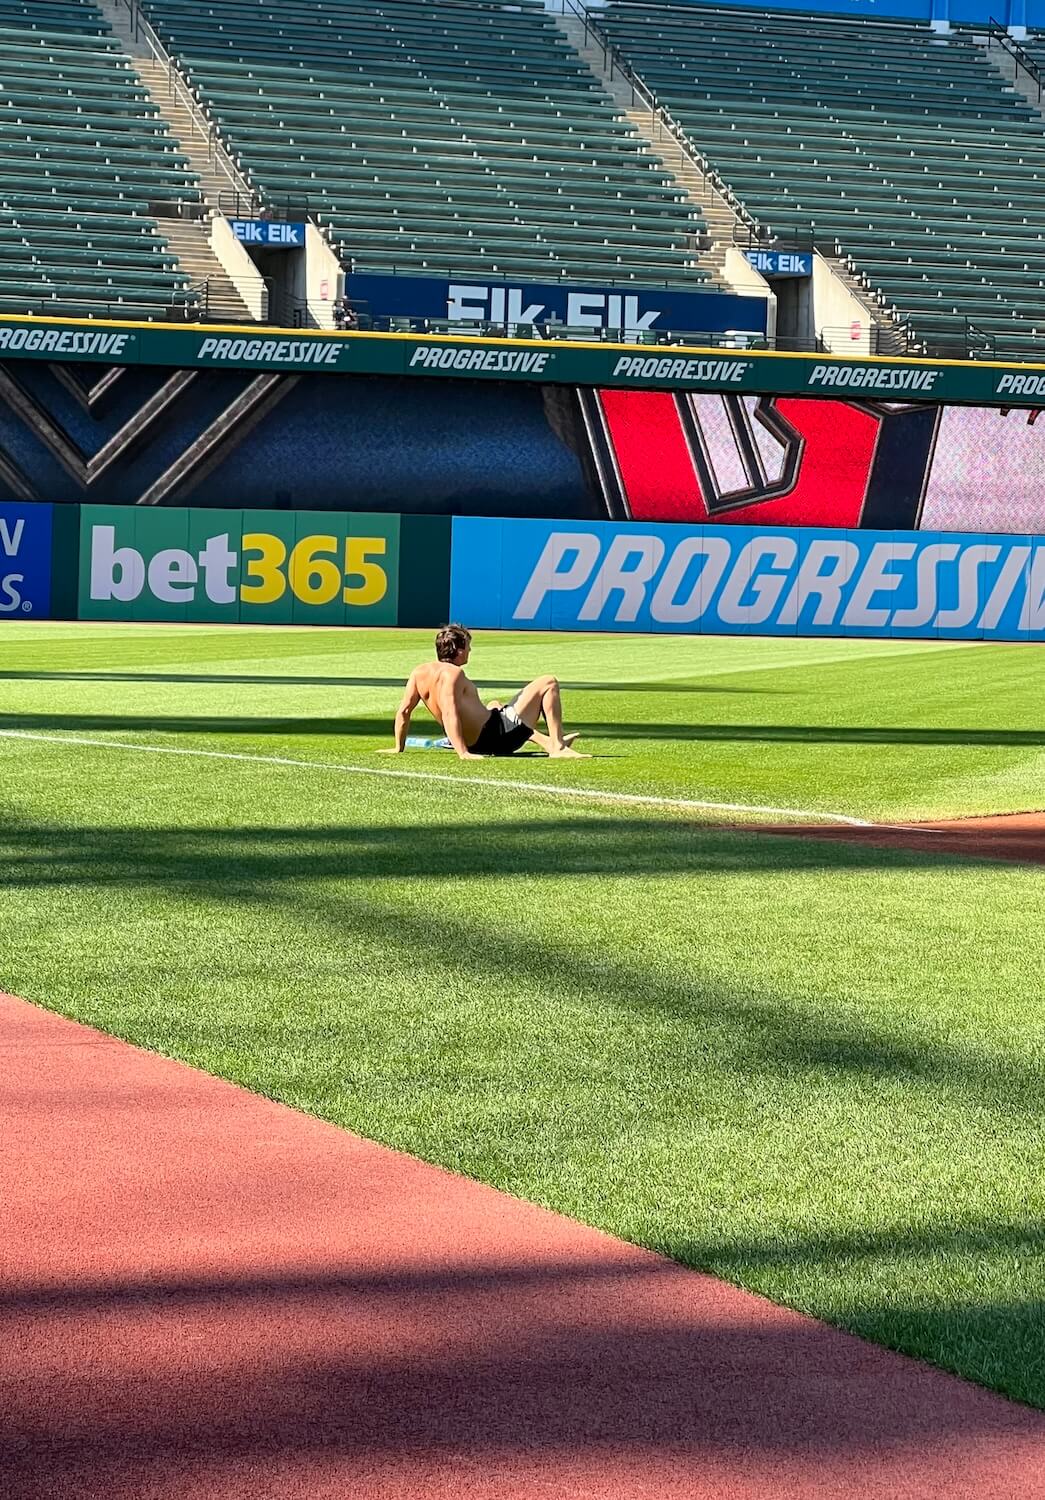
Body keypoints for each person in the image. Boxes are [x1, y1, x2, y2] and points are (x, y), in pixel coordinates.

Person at [390, 625, 586, 760]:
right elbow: (450, 712)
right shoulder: (454, 674)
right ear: (458, 650)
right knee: (548, 682)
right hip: (496, 737)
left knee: (494, 704)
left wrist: (399, 747)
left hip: (479, 739)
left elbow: (404, 712)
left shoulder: (419, 672)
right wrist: (462, 753)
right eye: (467, 646)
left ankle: (548, 741)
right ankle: (558, 747)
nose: (470, 651)